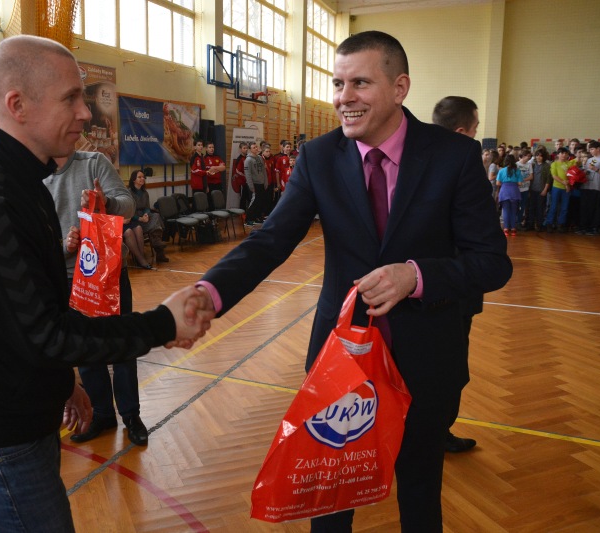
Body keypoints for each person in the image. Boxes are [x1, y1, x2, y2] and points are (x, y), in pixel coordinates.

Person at [192, 31, 512, 532]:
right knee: (329, 493)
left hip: (426, 354)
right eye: (338, 84)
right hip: (340, 355)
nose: (344, 97)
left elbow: (492, 262)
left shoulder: (453, 156)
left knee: (420, 486)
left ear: (400, 87)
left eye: (360, 83)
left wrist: (416, 275)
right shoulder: (320, 156)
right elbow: (271, 240)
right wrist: (208, 292)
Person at [0, 35, 212, 532]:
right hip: (0, 444)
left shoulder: (26, 186)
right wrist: (162, 323)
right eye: (71, 99)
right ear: (17, 105)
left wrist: (65, 384)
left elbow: (38, 310)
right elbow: (48, 335)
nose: (86, 113)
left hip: (27, 428)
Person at [43, 151, 152, 447]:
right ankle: (102, 414)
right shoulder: (37, 175)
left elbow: (128, 205)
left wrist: (108, 203)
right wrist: (65, 246)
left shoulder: (94, 163)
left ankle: (131, 415)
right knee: (85, 351)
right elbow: (36, 237)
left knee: (121, 346)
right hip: (69, 277)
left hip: (109, 274)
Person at [430, 95, 482, 453]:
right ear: (462, 132)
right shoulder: (465, 168)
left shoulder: (413, 164)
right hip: (453, 289)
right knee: (450, 372)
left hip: (421, 287)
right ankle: (437, 434)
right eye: (476, 129)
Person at [125, 169, 168, 265]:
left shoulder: (145, 193)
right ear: (133, 180)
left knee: (156, 215)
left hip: (144, 217)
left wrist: (146, 215)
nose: (142, 179)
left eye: (143, 177)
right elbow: (129, 211)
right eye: (139, 177)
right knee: (155, 227)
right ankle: (158, 248)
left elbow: (147, 207)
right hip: (134, 219)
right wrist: (140, 218)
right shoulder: (129, 193)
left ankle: (157, 243)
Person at [579, 141, 600, 235]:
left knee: (595, 208)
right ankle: (584, 227)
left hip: (596, 187)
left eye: (592, 149)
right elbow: (588, 170)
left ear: (598, 149)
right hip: (586, 186)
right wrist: (584, 172)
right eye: (590, 149)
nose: (590, 151)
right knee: (585, 208)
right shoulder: (591, 159)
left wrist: (596, 169)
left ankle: (594, 228)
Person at [544, 147, 574, 232]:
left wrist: (568, 184)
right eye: (562, 153)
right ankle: (549, 223)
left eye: (566, 153)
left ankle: (561, 224)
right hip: (556, 188)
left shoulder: (569, 164)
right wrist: (564, 183)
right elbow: (554, 176)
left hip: (567, 189)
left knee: (564, 207)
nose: (564, 155)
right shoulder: (554, 164)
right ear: (558, 154)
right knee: (553, 206)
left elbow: (572, 175)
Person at [496, 154, 523, 235]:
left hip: (504, 191)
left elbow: (498, 183)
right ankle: (513, 229)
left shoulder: (501, 170)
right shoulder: (517, 171)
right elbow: (520, 183)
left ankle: (506, 229)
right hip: (514, 191)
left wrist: (505, 183)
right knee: (513, 211)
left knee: (506, 211)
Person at [243, 141, 267, 226]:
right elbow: (248, 174)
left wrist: (265, 182)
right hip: (254, 184)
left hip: (261, 183)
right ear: (250, 149)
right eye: (254, 147)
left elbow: (264, 171)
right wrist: (251, 186)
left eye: (256, 147)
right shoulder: (248, 160)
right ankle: (248, 220)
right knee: (254, 202)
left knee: (260, 202)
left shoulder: (260, 158)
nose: (256, 148)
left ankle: (257, 217)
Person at [528, 148, 552, 232]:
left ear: (543, 157)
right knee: (531, 208)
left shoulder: (546, 166)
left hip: (541, 190)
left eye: (540, 156)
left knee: (540, 208)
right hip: (532, 189)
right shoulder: (532, 165)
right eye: (537, 155)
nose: (538, 157)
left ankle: (539, 225)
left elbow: (548, 179)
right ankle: (530, 224)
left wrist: (545, 190)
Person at [204, 141, 227, 206]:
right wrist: (218, 169)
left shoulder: (217, 157)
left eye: (213, 147)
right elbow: (206, 173)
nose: (212, 149)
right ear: (206, 149)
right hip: (209, 184)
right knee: (210, 202)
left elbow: (223, 168)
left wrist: (214, 167)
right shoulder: (204, 159)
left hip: (218, 183)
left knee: (219, 202)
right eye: (210, 147)